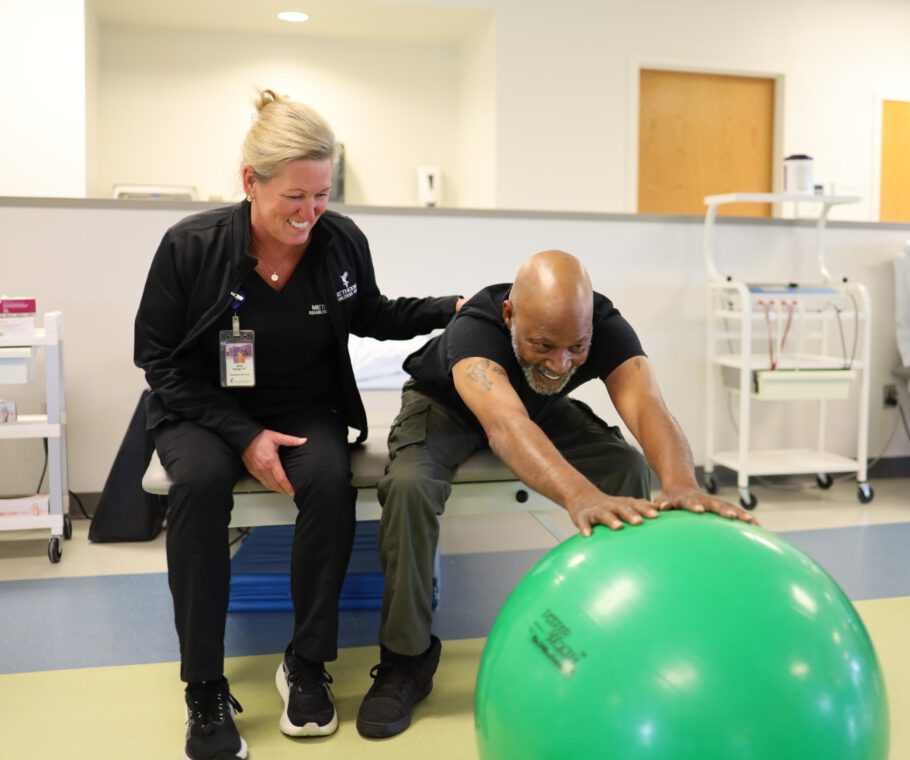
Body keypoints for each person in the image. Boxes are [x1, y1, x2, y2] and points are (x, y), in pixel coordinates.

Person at [133, 89, 462, 760]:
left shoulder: (338, 241)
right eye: (295, 197)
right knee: (197, 488)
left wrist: (451, 306)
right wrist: (243, 436)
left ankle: (307, 663)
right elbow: (158, 361)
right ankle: (203, 686)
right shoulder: (190, 248)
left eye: (322, 194)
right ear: (250, 181)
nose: (310, 213)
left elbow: (371, 312)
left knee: (330, 483)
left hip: (303, 404)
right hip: (200, 406)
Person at [356, 249, 756, 740]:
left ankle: (627, 627)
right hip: (447, 407)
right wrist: (578, 494)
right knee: (409, 486)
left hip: (535, 408)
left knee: (624, 465)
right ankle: (405, 661)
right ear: (509, 315)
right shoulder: (476, 328)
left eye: (576, 347)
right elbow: (505, 426)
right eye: (543, 344)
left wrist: (681, 485)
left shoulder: (603, 326)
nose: (560, 362)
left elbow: (647, 404)